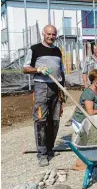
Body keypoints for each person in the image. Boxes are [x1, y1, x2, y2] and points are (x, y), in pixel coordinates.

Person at [23, 25, 65, 167]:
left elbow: (61, 71)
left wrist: (62, 91)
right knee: (41, 120)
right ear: (43, 33)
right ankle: (41, 154)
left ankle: (50, 149)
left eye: (53, 34)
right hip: (41, 87)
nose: (51, 37)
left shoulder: (57, 50)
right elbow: (25, 68)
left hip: (56, 88)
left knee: (55, 120)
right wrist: (38, 69)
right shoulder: (35, 49)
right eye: (48, 34)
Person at [71, 69, 97, 171]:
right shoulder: (88, 93)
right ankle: (83, 163)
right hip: (81, 121)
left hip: (91, 121)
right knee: (87, 143)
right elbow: (90, 112)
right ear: (92, 80)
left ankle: (94, 159)